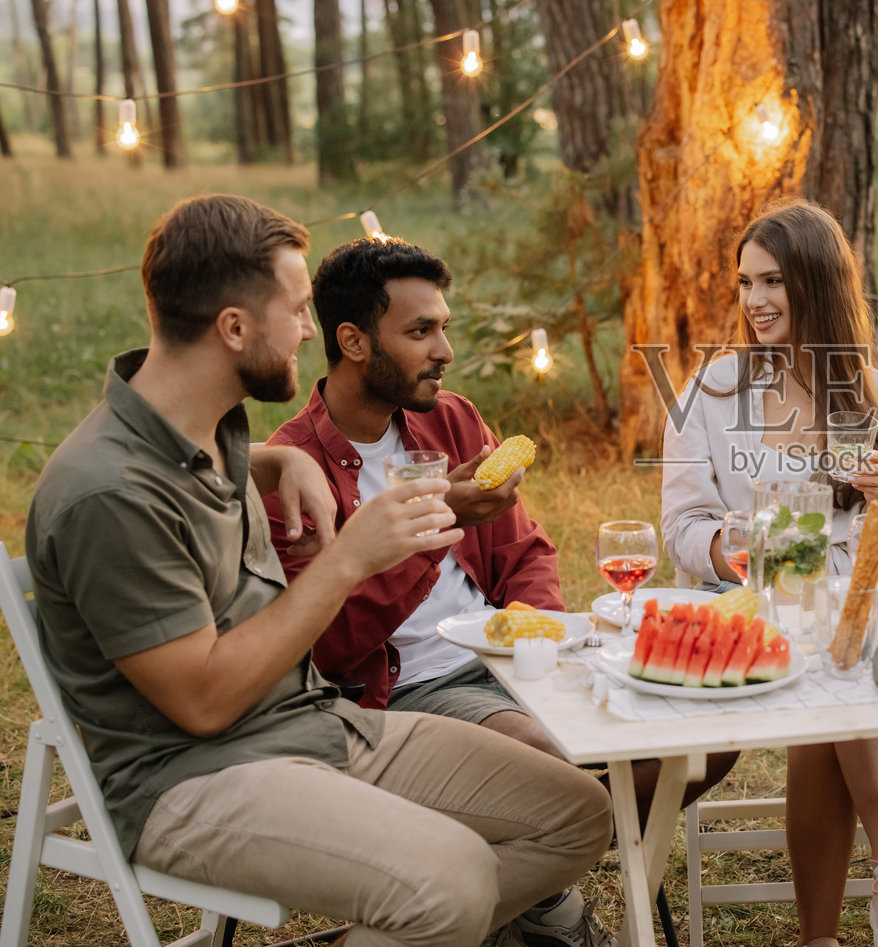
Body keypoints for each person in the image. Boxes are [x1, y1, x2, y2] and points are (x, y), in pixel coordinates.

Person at [24, 195, 613, 947]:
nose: (310, 329)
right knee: (453, 880)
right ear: (233, 328)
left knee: (576, 812)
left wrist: (276, 460)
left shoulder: (210, 428)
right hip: (192, 776)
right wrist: (350, 559)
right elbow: (203, 702)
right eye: (297, 310)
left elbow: (216, 467)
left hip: (308, 725)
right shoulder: (107, 493)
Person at [264, 237, 736, 942]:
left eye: (443, 326)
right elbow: (326, 642)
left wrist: (534, 636)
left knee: (709, 732)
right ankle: (556, 908)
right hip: (408, 686)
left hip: (510, 657)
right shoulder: (295, 469)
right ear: (354, 341)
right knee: (546, 762)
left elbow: (526, 550)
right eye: (421, 331)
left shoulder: (451, 419)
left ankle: (526, 888)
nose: (445, 349)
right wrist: (438, 520)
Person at [660, 199, 878, 947]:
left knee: (839, 648)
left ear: (816, 285)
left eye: (774, 282)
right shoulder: (710, 395)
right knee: (831, 652)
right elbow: (680, 527)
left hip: (853, 607)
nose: (754, 301)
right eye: (746, 282)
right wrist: (736, 549)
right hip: (748, 602)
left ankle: (820, 936)